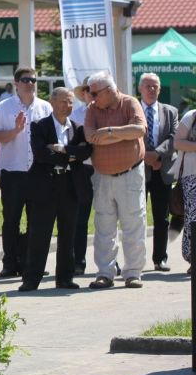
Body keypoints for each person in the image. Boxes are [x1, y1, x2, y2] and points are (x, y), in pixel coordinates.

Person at [20, 88, 92, 292]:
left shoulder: (78, 128)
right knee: (39, 234)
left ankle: (65, 278)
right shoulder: (39, 126)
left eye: (70, 102)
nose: (67, 106)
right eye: (63, 101)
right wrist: (70, 156)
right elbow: (41, 155)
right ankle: (31, 279)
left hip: (70, 186)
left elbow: (86, 151)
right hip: (45, 186)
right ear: (52, 102)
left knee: (68, 233)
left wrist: (63, 150)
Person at [83, 71, 147, 289]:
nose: (91, 98)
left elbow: (139, 129)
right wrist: (123, 135)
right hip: (102, 177)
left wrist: (110, 132)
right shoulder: (92, 109)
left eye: (95, 93)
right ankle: (105, 273)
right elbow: (91, 136)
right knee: (104, 226)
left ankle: (133, 273)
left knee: (133, 224)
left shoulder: (130, 103)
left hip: (129, 175)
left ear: (109, 91)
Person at [0, 67, 52, 277]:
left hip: (38, 173)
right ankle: (10, 263)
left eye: (33, 80)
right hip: (12, 172)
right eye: (25, 80)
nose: (30, 83)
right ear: (16, 83)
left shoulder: (45, 107)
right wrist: (15, 131)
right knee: (11, 221)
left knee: (36, 221)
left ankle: (32, 264)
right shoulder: (3, 108)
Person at [139, 73, 178, 272]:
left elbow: (173, 138)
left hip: (162, 170)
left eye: (155, 86)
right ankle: (136, 261)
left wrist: (157, 156)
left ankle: (160, 258)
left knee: (162, 217)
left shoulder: (170, 111)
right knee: (137, 216)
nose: (151, 89)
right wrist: (146, 156)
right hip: (138, 170)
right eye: (148, 86)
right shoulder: (133, 109)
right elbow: (131, 136)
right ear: (140, 89)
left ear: (160, 89)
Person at [70, 82, 95, 275]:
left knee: (108, 218)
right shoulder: (76, 115)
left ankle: (110, 262)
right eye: (88, 91)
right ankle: (78, 261)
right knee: (80, 219)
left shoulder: (107, 112)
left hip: (106, 169)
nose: (91, 95)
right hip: (83, 169)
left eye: (95, 91)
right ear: (83, 93)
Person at [173, 108, 196, 276]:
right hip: (192, 175)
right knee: (193, 218)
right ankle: (192, 258)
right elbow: (178, 142)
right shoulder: (192, 116)